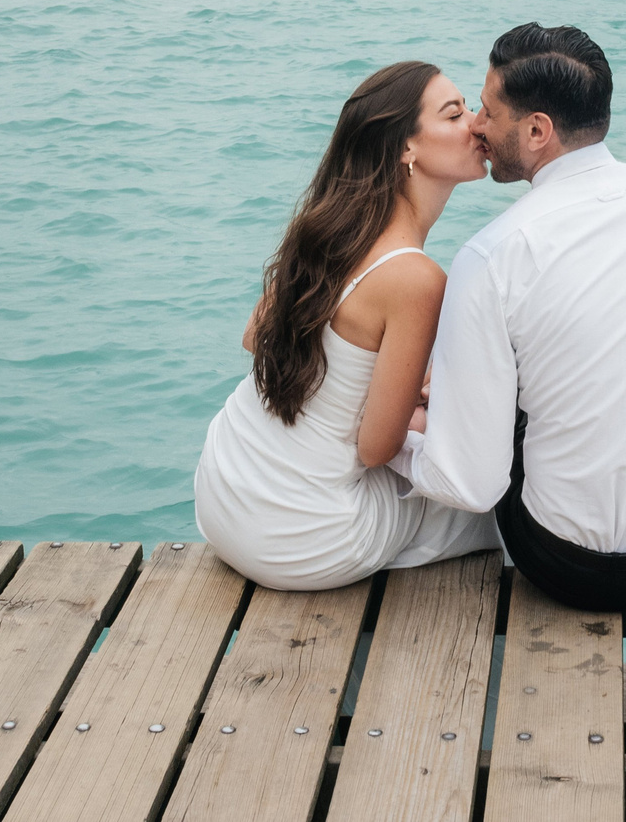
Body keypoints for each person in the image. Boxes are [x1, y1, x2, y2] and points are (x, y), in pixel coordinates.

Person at [398, 23, 626, 613]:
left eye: (488, 111)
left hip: (579, 572)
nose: (478, 126)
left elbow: (470, 485)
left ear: (537, 130)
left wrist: (399, 434)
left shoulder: (491, 255)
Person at [194, 60, 500, 590]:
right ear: (405, 148)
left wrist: (374, 385)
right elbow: (376, 450)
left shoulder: (327, 225)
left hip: (223, 486)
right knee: (488, 507)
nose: (476, 123)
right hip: (306, 536)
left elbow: (254, 339)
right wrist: (425, 405)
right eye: (455, 114)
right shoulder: (417, 278)